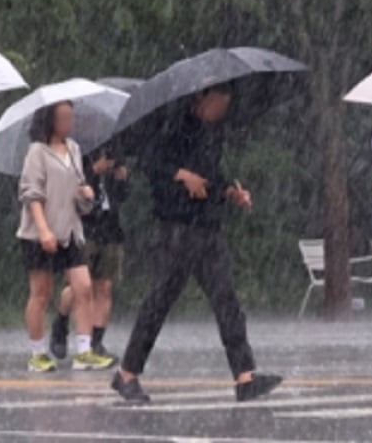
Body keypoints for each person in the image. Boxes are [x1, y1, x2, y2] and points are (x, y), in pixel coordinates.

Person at [112, 84, 281, 404]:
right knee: (159, 302)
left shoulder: (214, 131)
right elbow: (150, 163)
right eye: (217, 103)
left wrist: (231, 191)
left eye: (225, 105)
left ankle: (244, 377)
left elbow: (212, 176)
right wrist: (181, 175)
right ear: (200, 98)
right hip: (175, 225)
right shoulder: (171, 124)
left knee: (227, 301)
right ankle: (127, 374)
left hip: (207, 226)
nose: (220, 111)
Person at [17, 101, 115, 373]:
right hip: (40, 232)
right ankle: (37, 353)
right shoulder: (37, 152)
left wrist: (86, 196)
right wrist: (44, 230)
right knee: (41, 293)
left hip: (71, 230)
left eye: (70, 117)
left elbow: (78, 196)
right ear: (49, 120)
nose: (68, 123)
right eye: (62, 117)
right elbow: (31, 194)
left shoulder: (73, 149)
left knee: (83, 287)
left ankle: (84, 351)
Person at [50, 145, 130, 362]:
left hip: (110, 230)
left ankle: (96, 341)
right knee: (80, 287)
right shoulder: (76, 156)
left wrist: (122, 179)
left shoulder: (116, 155)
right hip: (84, 229)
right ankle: (61, 323)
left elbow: (122, 197)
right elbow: (71, 196)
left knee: (104, 286)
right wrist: (93, 172)